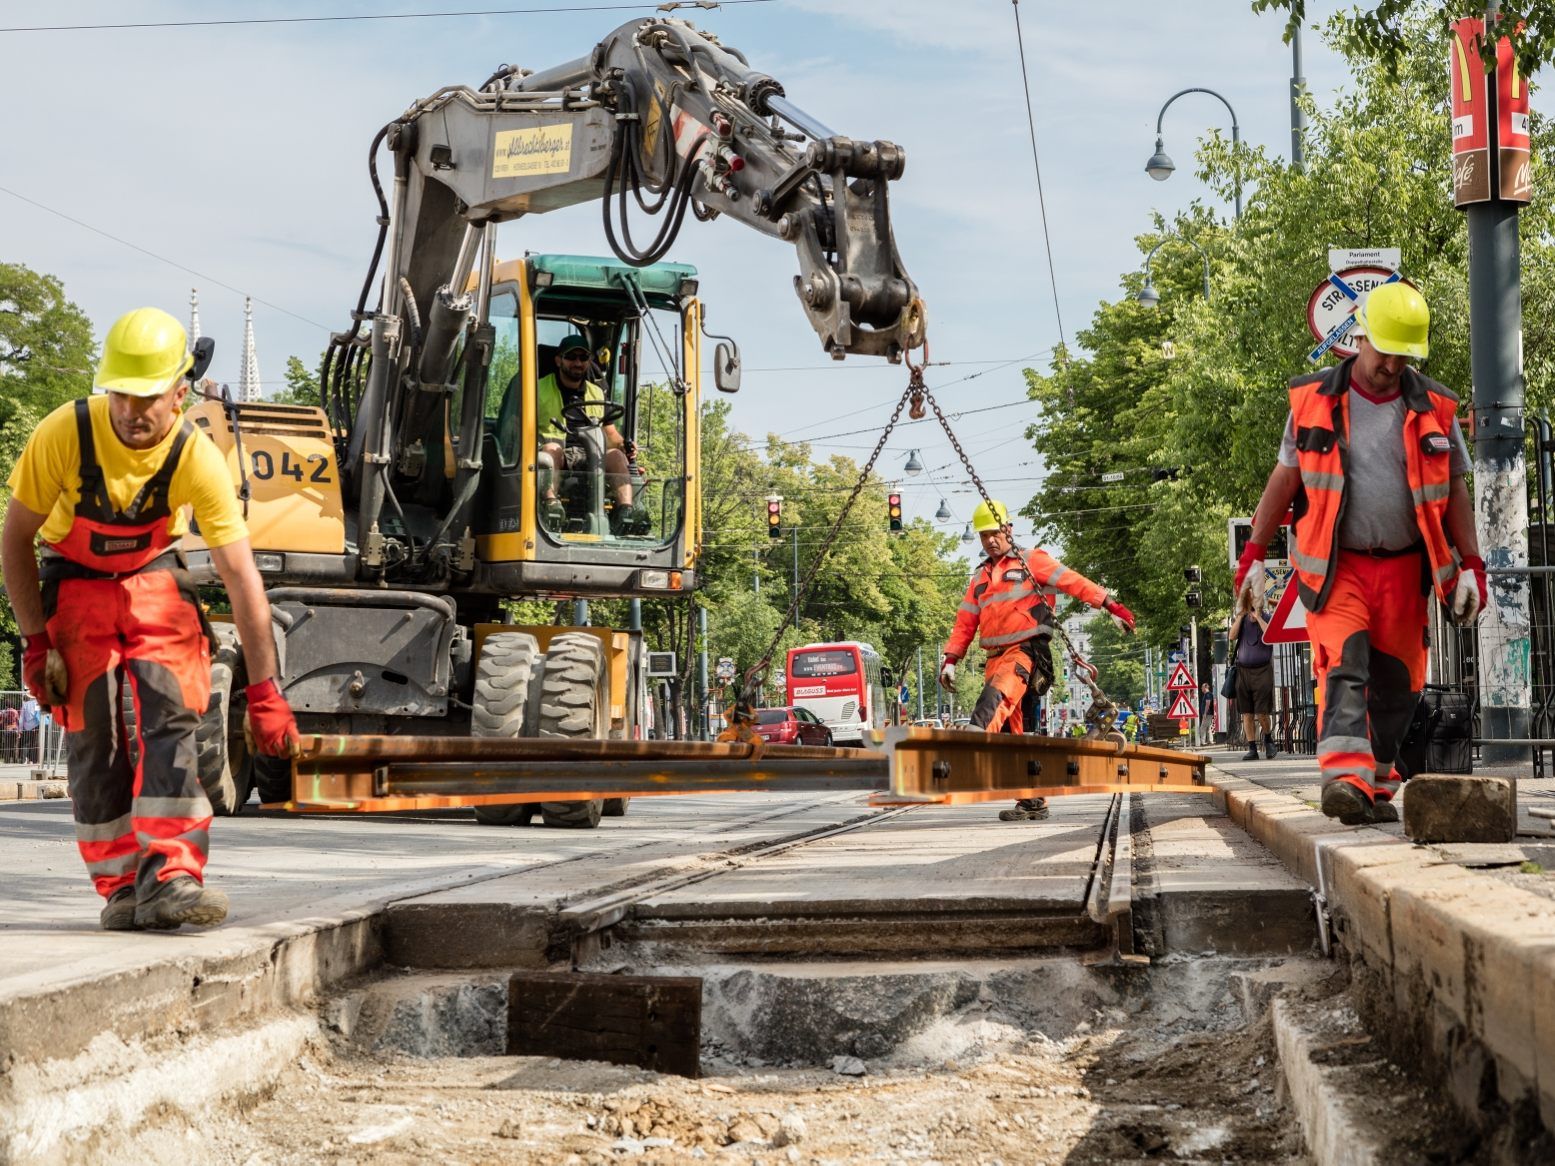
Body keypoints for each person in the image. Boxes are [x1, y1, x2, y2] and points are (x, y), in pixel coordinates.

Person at [1, 307, 301, 931]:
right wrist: (35, 643)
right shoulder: (63, 434)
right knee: (94, 736)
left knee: (173, 714)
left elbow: (242, 575)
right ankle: (121, 890)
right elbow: (15, 539)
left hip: (153, 573)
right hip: (74, 577)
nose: (132, 412)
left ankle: (171, 876)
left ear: (180, 393)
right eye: (121, 396)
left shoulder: (198, 457)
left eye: (148, 398)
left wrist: (266, 688)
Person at [1235, 282, 1483, 825]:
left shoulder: (1435, 407)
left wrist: (1473, 565)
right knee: (1344, 665)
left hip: (1404, 568)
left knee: (1400, 686)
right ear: (1361, 335)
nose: (1392, 363)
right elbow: (1284, 479)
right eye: (1384, 349)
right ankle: (1344, 778)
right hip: (1335, 564)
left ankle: (1375, 785)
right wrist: (1252, 555)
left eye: (1403, 354)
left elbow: (1456, 490)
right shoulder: (1314, 401)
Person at [938, 500, 1136, 822]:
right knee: (1016, 734)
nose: (990, 540)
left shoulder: (1032, 562)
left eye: (995, 532)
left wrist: (1110, 606)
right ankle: (1032, 799)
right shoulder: (980, 578)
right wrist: (951, 658)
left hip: (1026, 652)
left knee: (995, 696)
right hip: (994, 657)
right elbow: (965, 622)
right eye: (984, 535)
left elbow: (1073, 581)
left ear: (1008, 529)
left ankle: (965, 748)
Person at [536, 335, 647, 535]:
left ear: (589, 361)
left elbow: (610, 433)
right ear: (558, 360)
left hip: (592, 454)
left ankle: (626, 513)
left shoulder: (597, 392)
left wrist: (623, 444)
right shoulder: (538, 389)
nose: (578, 362)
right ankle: (551, 506)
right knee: (551, 450)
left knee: (617, 456)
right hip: (556, 453)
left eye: (583, 357)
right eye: (571, 357)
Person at [1229, 594, 1276, 761]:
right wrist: (1240, 617)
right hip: (1243, 671)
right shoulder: (1242, 620)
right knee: (1247, 713)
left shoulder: (1267, 617)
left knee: (1262, 711)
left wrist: (1259, 617)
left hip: (1262, 671)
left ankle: (1269, 740)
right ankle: (1252, 748)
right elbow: (1231, 636)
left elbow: (1271, 635)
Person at [18, 695, 40, 764]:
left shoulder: (25, 705)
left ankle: (24, 759)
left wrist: (20, 729)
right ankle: (32, 760)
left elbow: (21, 718)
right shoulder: (37, 704)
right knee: (34, 744)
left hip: (26, 727)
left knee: (25, 744)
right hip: (36, 726)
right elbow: (38, 716)